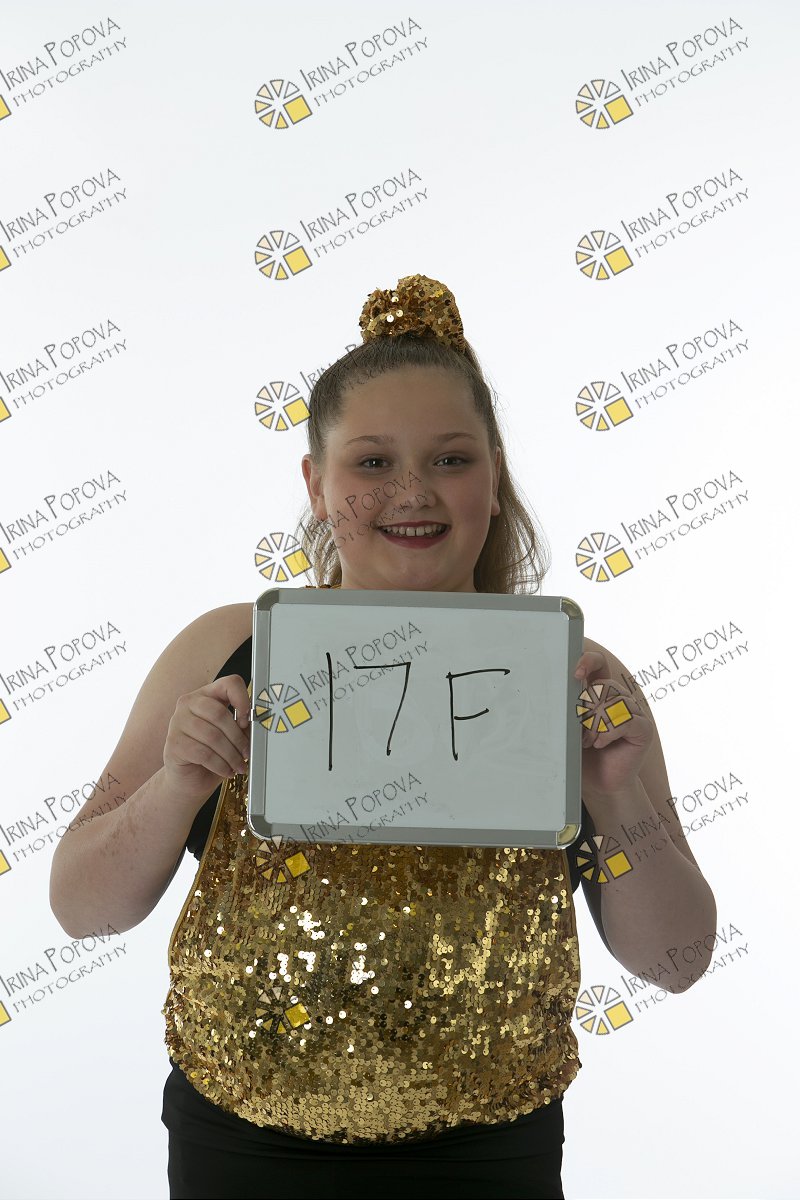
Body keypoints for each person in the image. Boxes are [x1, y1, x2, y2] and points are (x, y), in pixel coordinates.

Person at [49, 274, 717, 1200]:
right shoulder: (226, 649)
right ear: (317, 485)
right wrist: (177, 785)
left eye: (451, 459)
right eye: (371, 463)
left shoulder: (573, 678)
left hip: (489, 1159)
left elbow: (675, 961)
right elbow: (82, 911)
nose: (413, 491)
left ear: (493, 480)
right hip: (242, 1151)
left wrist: (614, 791)